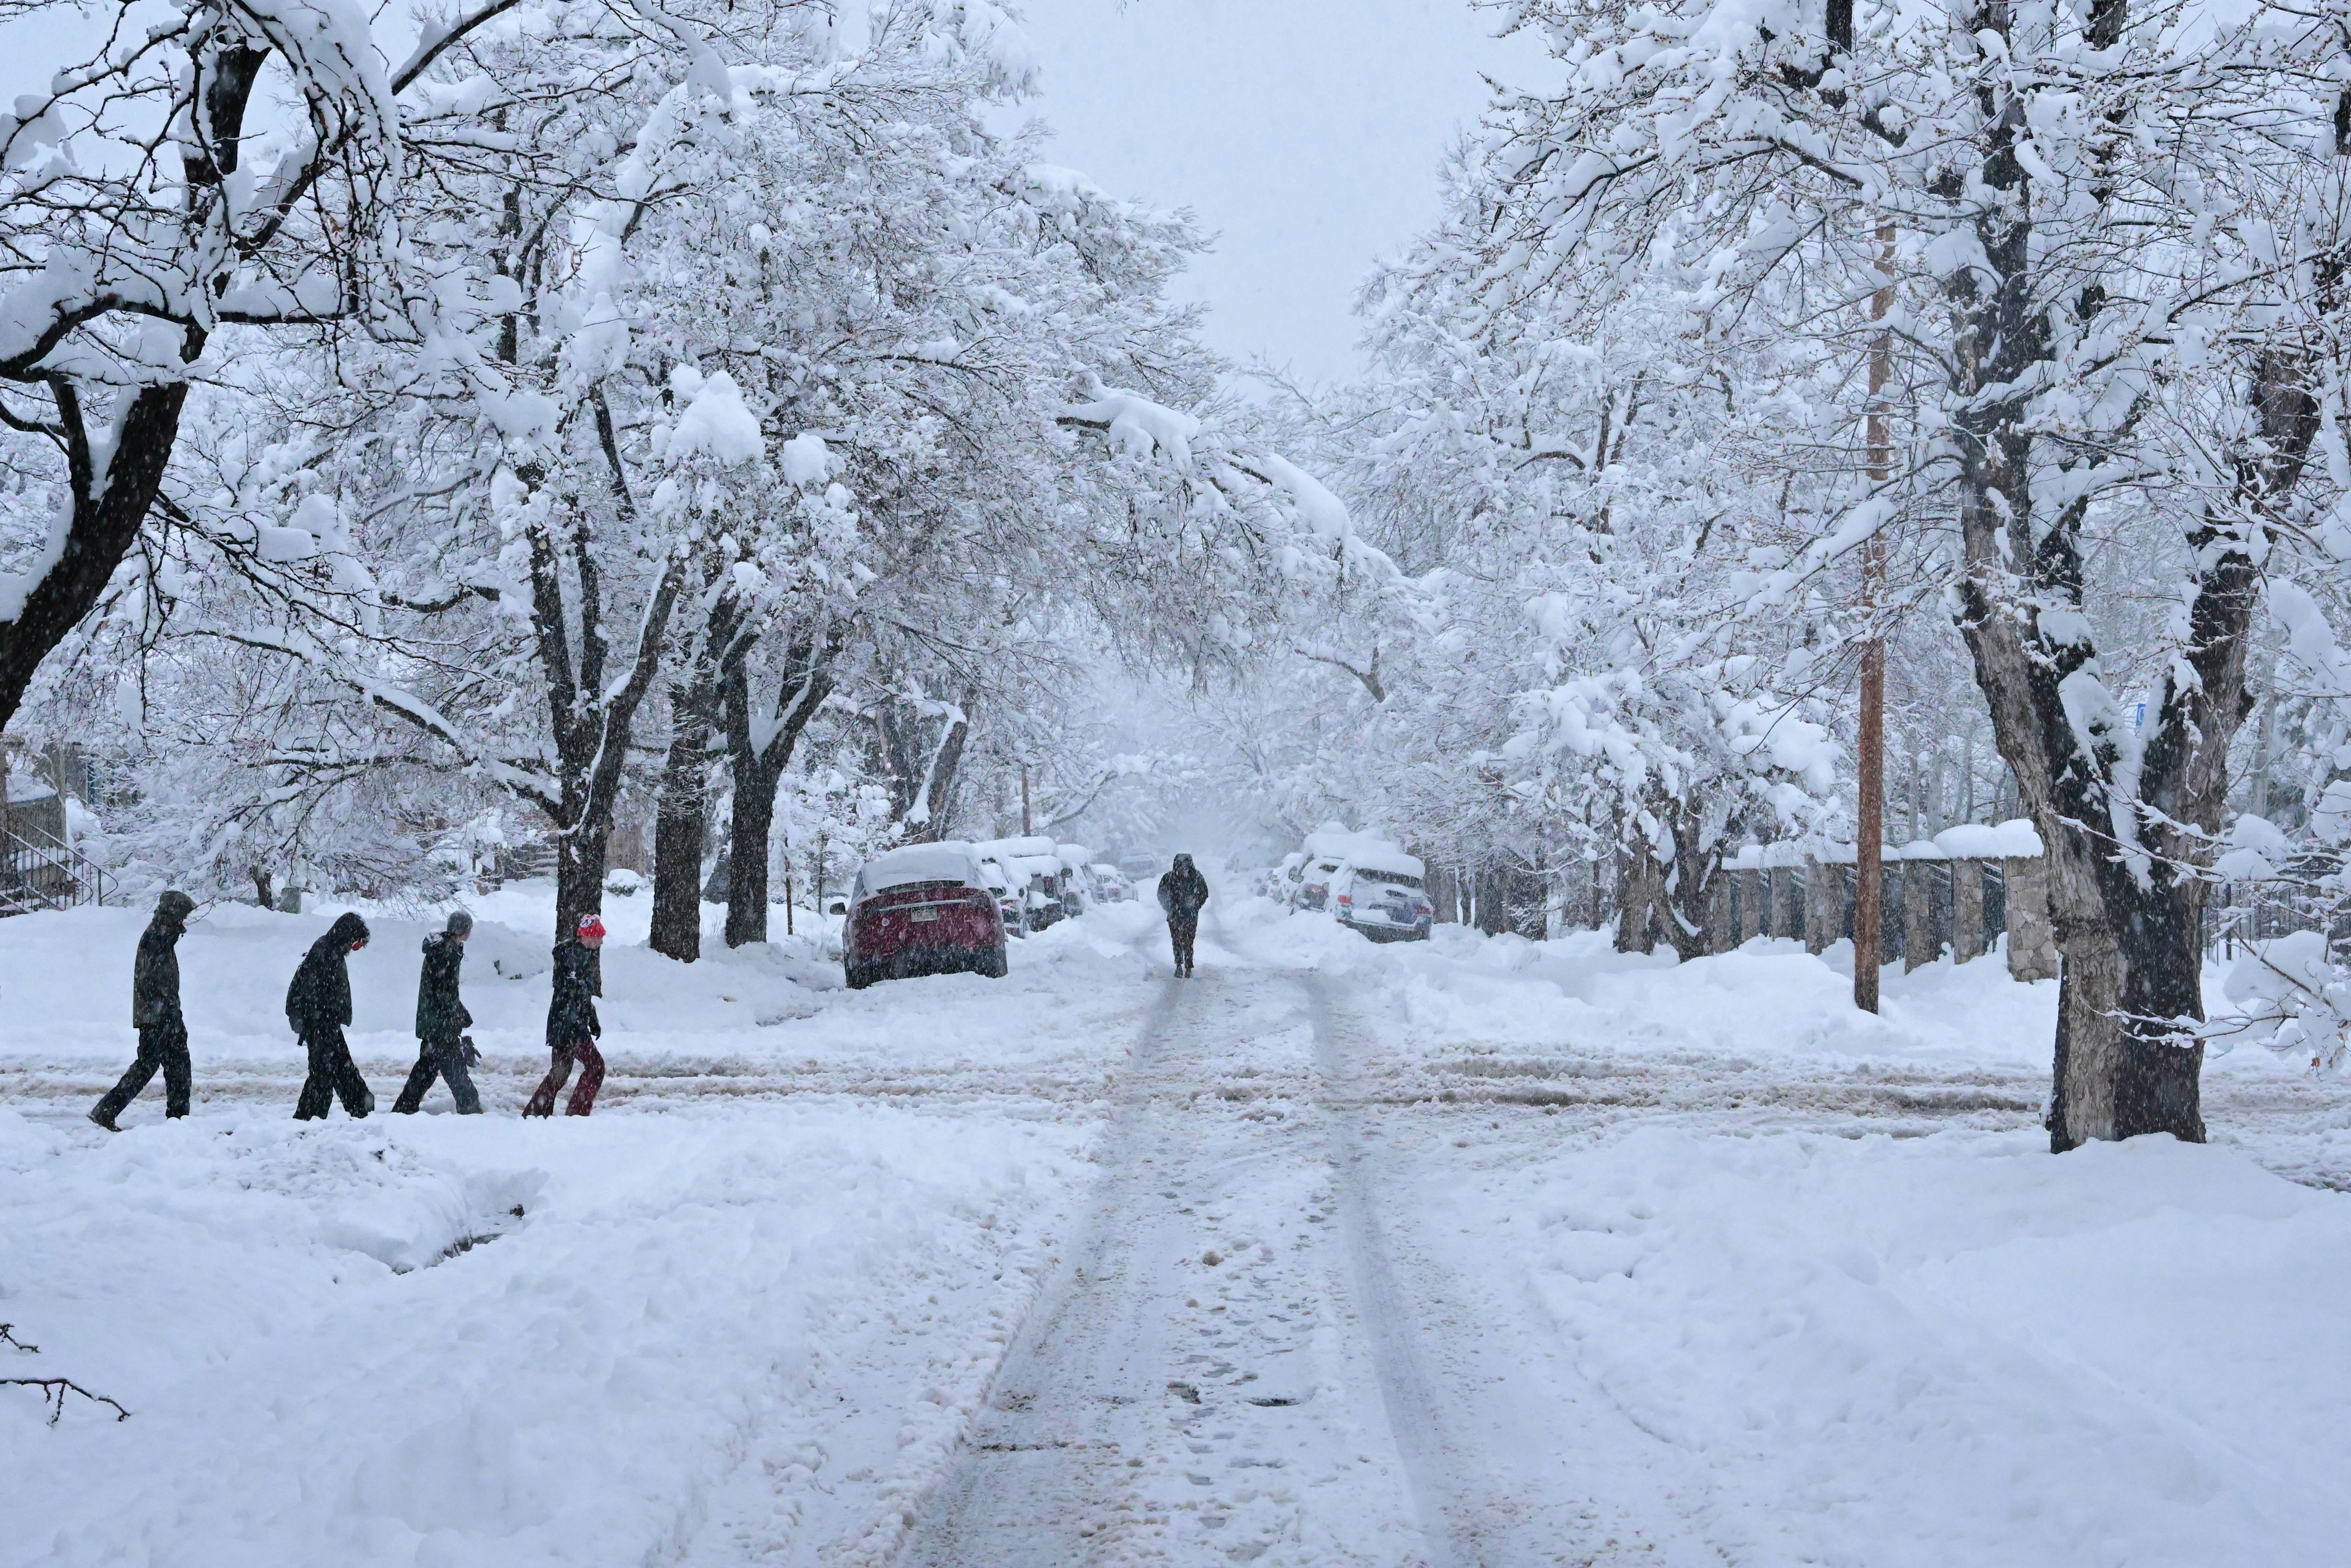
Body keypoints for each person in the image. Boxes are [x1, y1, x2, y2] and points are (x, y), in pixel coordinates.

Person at [89, 890, 198, 1130]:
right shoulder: (156, 938)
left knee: (178, 1063)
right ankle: (106, 1111)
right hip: (158, 1015)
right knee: (149, 1065)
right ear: (173, 913)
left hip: (164, 1013)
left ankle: (179, 1120)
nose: (184, 921)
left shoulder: (164, 936)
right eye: (182, 915)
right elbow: (151, 980)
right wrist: (165, 1009)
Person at [393, 910, 482, 1115]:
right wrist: (455, 1014)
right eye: (469, 929)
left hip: (433, 1020)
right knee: (455, 1071)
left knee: (427, 1068)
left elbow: (443, 991)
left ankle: (403, 1109)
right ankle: (471, 1109)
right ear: (465, 931)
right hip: (440, 1023)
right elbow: (443, 992)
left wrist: (459, 1010)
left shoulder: (446, 948)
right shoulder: (446, 952)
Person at [289, 911, 375, 1120]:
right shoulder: (325, 953)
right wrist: (318, 1020)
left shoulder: (331, 951)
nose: (353, 949)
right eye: (355, 944)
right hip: (319, 1023)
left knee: (337, 1067)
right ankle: (310, 1119)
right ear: (347, 936)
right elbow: (310, 993)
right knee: (324, 1074)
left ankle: (359, 1107)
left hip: (326, 1022)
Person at [524, 914, 605, 1117]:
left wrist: (592, 1018)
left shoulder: (581, 955)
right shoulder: (573, 957)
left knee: (560, 1074)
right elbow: (571, 994)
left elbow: (581, 995)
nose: (602, 941)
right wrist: (578, 1024)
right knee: (596, 1067)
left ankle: (535, 1114)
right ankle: (577, 1113)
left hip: (564, 1023)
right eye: (599, 937)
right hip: (570, 1025)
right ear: (588, 937)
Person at [1157, 853, 1210, 978]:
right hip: (1174, 915)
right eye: (1180, 867)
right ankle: (1178, 964)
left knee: (1188, 940)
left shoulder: (1197, 878)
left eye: (1185, 867)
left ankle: (1188, 966)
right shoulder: (1169, 878)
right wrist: (1169, 907)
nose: (1183, 871)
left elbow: (1204, 894)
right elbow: (1161, 894)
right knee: (1176, 940)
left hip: (1190, 916)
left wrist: (1195, 906)